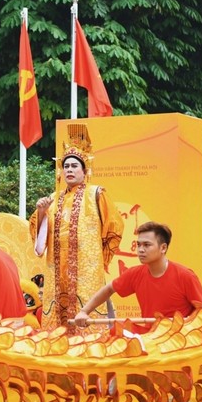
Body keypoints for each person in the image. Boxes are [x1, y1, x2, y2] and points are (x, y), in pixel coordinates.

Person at [30, 124, 124, 330]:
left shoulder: (97, 194)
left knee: (87, 323)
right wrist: (41, 213)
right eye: (66, 166)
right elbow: (38, 236)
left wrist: (100, 256)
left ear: (84, 170)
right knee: (58, 324)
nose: (69, 170)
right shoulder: (53, 199)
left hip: (86, 268)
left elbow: (115, 226)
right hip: (57, 270)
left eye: (74, 166)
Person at [74, 222, 202, 333]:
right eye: (138, 245)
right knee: (116, 332)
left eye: (147, 245)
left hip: (178, 337)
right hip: (150, 336)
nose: (140, 249)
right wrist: (84, 312)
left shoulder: (185, 275)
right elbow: (109, 289)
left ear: (163, 248)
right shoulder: (135, 274)